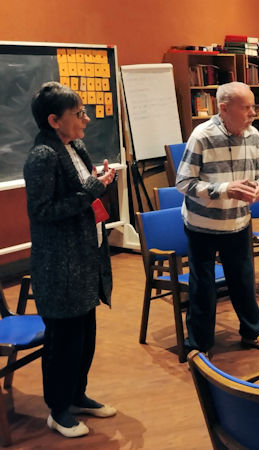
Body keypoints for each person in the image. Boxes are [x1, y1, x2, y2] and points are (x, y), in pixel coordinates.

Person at [24, 82, 117, 438]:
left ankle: (77, 395)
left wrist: (99, 182)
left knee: (85, 335)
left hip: (85, 257)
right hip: (60, 265)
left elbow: (81, 193)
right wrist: (94, 189)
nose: (87, 119)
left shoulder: (74, 146)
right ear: (53, 120)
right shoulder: (42, 156)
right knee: (63, 341)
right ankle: (58, 409)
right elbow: (43, 211)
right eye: (78, 114)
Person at [176, 81, 259, 355]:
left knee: (243, 280)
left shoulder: (254, 135)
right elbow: (183, 183)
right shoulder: (202, 136)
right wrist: (224, 189)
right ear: (224, 109)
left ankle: (252, 332)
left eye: (253, 107)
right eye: (246, 108)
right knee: (203, 286)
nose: (253, 113)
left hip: (238, 222)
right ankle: (198, 345)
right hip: (202, 226)